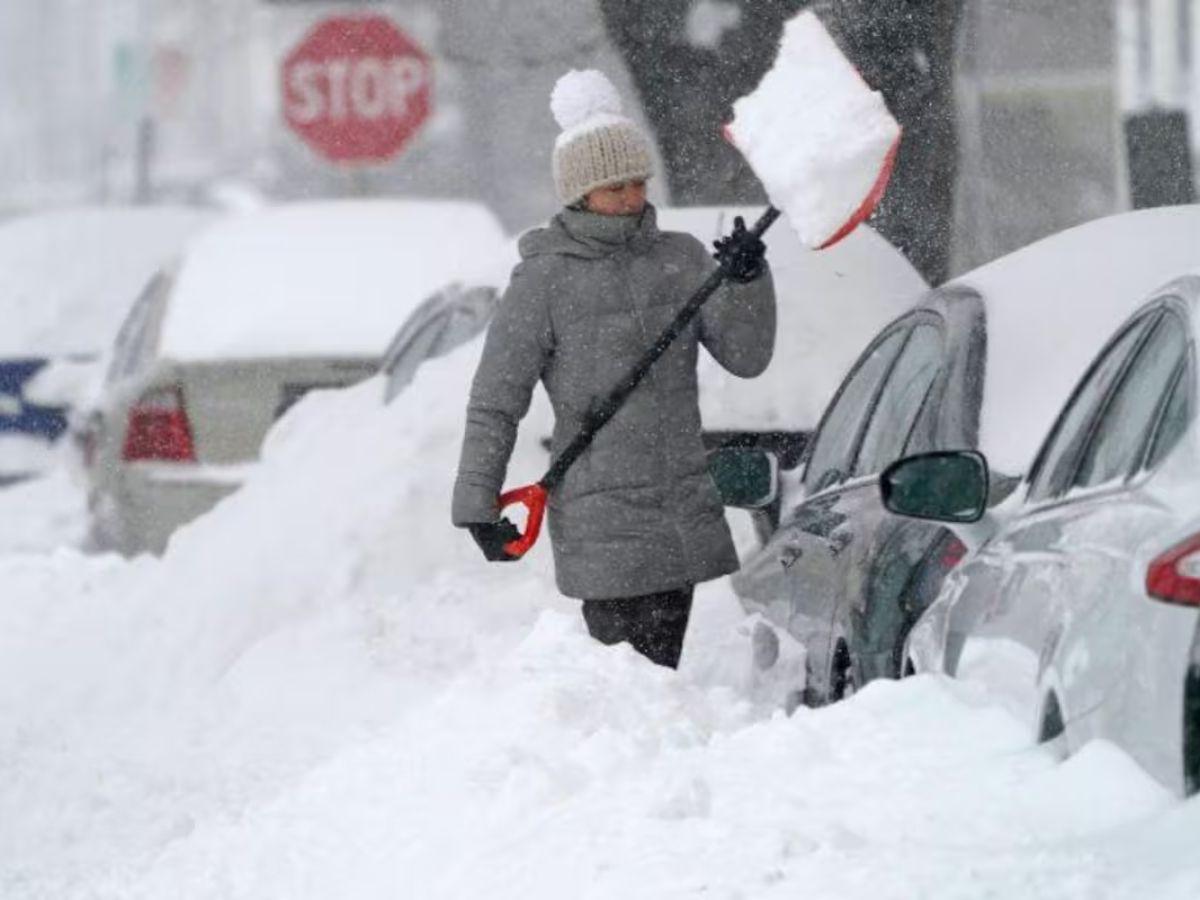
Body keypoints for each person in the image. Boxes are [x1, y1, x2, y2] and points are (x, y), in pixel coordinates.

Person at [452, 70, 776, 670]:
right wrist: (476, 503)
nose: (630, 197)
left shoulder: (681, 259)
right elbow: (496, 399)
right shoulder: (543, 280)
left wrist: (748, 281)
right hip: (603, 519)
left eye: (635, 182)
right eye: (612, 187)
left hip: (679, 505)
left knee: (658, 681)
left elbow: (747, 358)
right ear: (578, 194)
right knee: (629, 683)